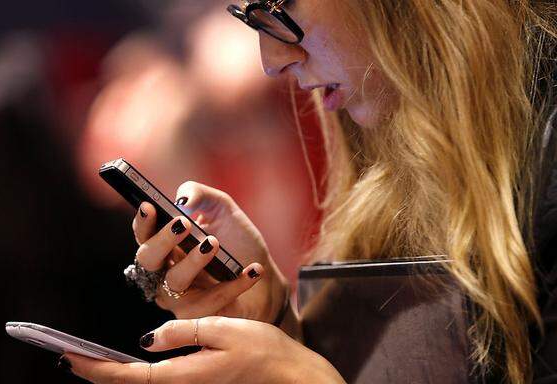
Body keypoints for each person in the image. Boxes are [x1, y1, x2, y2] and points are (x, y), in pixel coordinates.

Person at [61, 1, 557, 383]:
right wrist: (278, 322)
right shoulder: (387, 143)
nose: (270, 60)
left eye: (278, 7)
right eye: (245, 15)